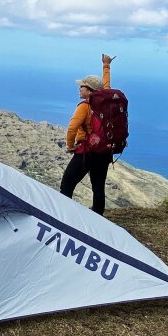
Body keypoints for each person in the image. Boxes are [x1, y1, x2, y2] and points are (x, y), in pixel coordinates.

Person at [60, 54, 115, 216]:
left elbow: (72, 127)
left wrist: (70, 146)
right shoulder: (106, 100)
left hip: (86, 152)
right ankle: (98, 217)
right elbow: (106, 85)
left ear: (89, 90)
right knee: (98, 187)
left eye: (82, 86)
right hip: (104, 152)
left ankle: (63, 216)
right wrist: (106, 65)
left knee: (67, 184)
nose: (79, 88)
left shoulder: (85, 107)